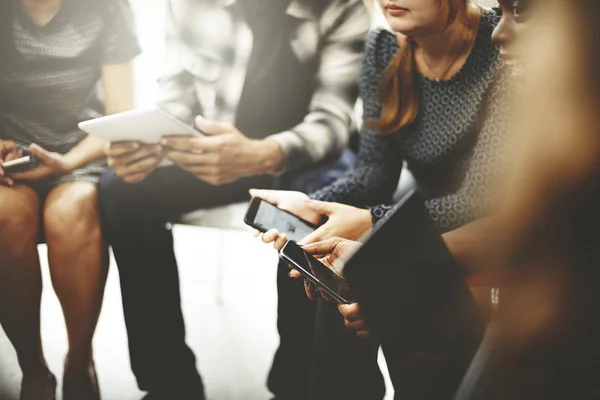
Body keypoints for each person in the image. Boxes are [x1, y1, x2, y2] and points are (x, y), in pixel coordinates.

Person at [97, 1, 370, 399]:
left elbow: (331, 121)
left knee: (315, 211)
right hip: (217, 153)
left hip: (304, 159)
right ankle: (169, 383)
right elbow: (177, 92)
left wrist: (262, 154)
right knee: (121, 189)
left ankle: (295, 385)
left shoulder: (341, 8)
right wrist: (154, 140)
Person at [253, 0, 509, 397]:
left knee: (352, 263)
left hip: (484, 217)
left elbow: (476, 202)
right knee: (306, 249)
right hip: (416, 207)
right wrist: (314, 206)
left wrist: (371, 220)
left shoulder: (502, 46)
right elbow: (375, 170)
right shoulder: (384, 45)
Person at [0, 0, 140, 399]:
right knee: (4, 213)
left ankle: (79, 362)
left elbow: (119, 117)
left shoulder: (108, 8)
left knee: (72, 211)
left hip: (82, 152)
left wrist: (66, 162)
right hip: (11, 159)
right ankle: (33, 370)